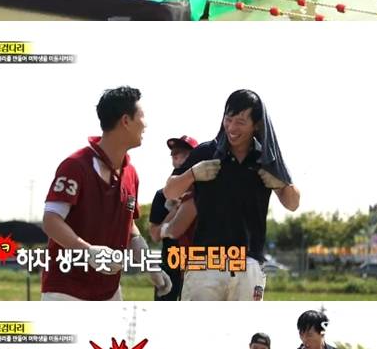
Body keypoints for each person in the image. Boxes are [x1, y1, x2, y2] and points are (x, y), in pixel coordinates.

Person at [163, 90, 300, 302]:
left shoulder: (266, 158)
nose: (232, 128)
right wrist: (192, 174)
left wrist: (281, 184)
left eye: (240, 122)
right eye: (228, 119)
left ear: (256, 125)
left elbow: (293, 204)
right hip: (206, 261)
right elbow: (170, 191)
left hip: (248, 263)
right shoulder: (206, 152)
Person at [41, 87, 172, 302]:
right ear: (126, 121)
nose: (145, 124)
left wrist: (149, 264)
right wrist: (88, 251)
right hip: (66, 290)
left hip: (109, 291)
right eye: (142, 116)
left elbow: (128, 225)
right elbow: (51, 220)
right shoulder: (76, 166)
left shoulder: (131, 174)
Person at [149, 135, 198, 301]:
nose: (178, 158)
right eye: (175, 154)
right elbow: (154, 235)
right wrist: (175, 210)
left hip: (199, 263)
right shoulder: (162, 195)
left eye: (184, 154)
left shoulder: (206, 192)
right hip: (171, 261)